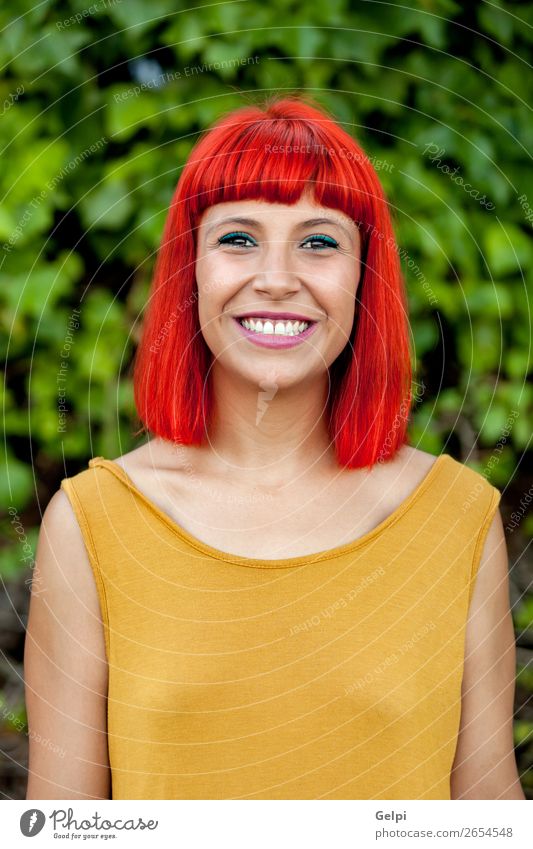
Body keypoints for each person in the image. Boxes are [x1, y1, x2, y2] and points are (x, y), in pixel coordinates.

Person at [24, 95, 524, 801]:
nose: (277, 278)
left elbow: (487, 818)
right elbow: (63, 826)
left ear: (363, 276)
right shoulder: (92, 524)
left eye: (319, 241)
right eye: (238, 238)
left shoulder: (456, 518)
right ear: (189, 268)